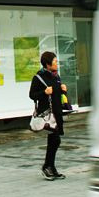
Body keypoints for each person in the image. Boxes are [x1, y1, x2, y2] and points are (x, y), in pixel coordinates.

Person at [29, 51, 67, 180]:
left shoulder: (56, 76)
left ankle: (50, 167)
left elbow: (57, 95)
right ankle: (47, 167)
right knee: (55, 140)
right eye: (55, 61)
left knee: (54, 141)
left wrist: (63, 90)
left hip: (57, 113)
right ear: (47, 64)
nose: (57, 64)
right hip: (48, 115)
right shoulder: (38, 77)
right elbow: (32, 95)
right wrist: (44, 92)